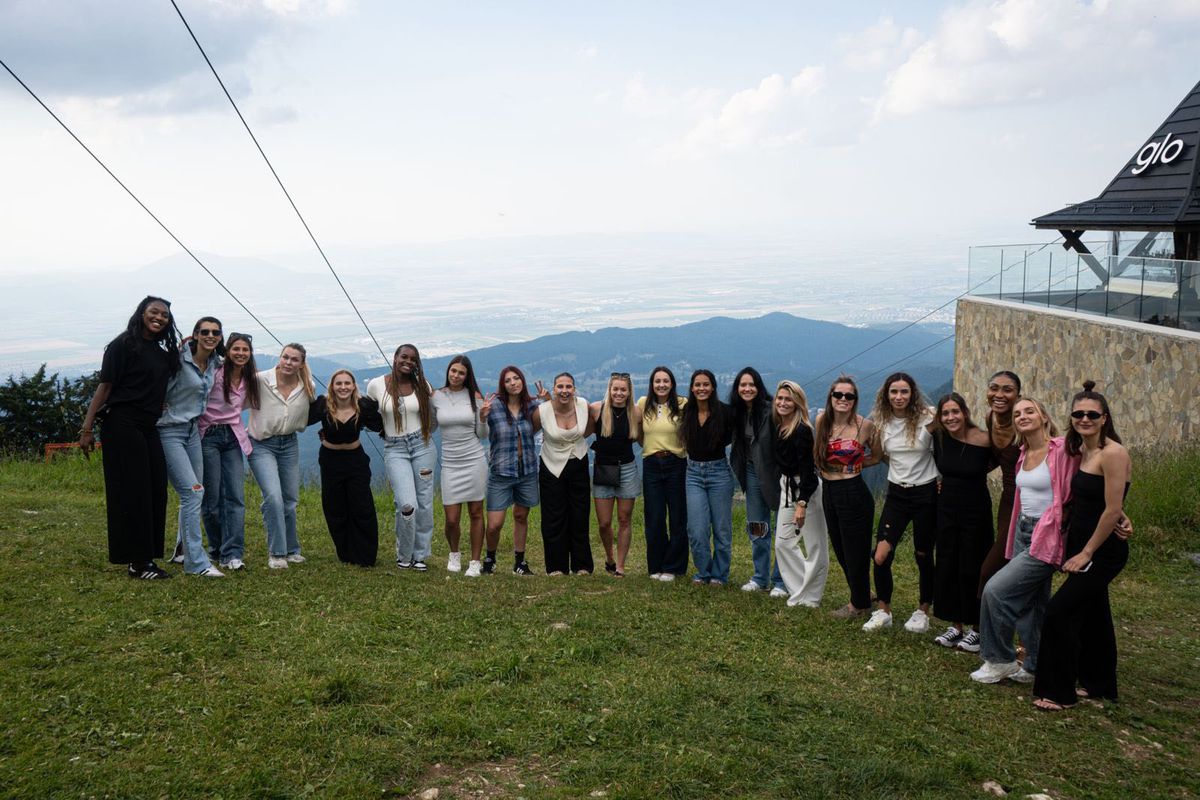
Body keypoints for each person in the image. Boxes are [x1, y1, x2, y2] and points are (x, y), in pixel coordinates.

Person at [1033, 382, 1131, 711]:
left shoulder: (1113, 452)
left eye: (1092, 414)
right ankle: (1099, 683)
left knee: (1059, 613)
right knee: (1095, 615)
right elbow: (1102, 500)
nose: (1084, 418)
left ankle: (1058, 692)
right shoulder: (1083, 449)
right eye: (1078, 413)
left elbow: (1113, 508)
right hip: (1084, 542)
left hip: (1101, 551)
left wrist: (1086, 553)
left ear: (1105, 418)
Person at [972, 397, 1071, 684]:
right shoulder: (1023, 452)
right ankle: (1034, 664)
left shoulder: (1062, 449)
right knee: (1032, 602)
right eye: (1018, 414)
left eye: (1029, 411)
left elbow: (1086, 483)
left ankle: (999, 659)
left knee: (996, 591)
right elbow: (1021, 498)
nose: (1023, 416)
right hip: (1023, 528)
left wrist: (1117, 512)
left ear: (1043, 416)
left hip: (1048, 534)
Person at [80, 296, 180, 579]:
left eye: (164, 315)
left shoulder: (160, 351)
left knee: (155, 489)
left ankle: (145, 556)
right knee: (134, 492)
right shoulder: (122, 345)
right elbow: (105, 387)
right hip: (122, 423)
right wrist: (87, 429)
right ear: (142, 313)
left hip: (148, 426)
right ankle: (139, 562)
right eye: (154, 312)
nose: (159, 318)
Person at [865, 372, 939, 633]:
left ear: (912, 394)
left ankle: (923, 610)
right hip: (897, 493)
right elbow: (880, 455)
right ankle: (883, 609)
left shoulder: (928, 418)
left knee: (923, 553)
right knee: (881, 555)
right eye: (893, 392)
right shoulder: (880, 423)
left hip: (926, 493)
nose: (898, 397)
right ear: (886, 394)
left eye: (904, 392)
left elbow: (943, 450)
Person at [161, 317, 225, 577]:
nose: (210, 336)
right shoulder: (177, 361)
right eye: (205, 331)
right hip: (169, 431)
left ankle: (181, 550)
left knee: (195, 492)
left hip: (192, 432)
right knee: (193, 493)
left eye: (216, 332)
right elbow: (157, 386)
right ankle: (197, 564)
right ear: (195, 335)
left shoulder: (214, 363)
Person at [930, 393, 994, 652]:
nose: (950, 417)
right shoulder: (939, 437)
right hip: (946, 508)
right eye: (945, 413)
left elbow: (1001, 461)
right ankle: (955, 625)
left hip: (976, 509)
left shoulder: (984, 438)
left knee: (973, 565)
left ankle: (977, 628)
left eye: (955, 412)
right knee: (947, 563)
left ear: (965, 412)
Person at [367, 344, 437, 571]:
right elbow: (368, 413)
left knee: (424, 503)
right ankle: (403, 554)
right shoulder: (377, 385)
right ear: (395, 358)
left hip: (422, 445)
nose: (408, 361)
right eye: (403, 357)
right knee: (407, 504)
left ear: (417, 364)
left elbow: (433, 420)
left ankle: (420, 556)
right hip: (395, 448)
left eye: (413, 359)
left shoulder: (422, 385)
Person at [247, 342, 316, 569]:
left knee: (289, 499)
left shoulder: (307, 386)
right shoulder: (260, 380)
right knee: (274, 497)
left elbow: (321, 408)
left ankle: (292, 549)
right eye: (285, 357)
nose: (288, 362)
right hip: (261, 444)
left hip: (289, 444)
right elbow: (234, 402)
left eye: (294, 359)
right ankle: (277, 553)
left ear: (301, 364)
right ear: (280, 357)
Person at [815, 376, 876, 619]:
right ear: (830, 397)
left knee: (855, 550)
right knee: (840, 547)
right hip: (829, 491)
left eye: (849, 396)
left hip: (853, 491)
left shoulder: (865, 426)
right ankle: (863, 592)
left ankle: (858, 605)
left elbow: (878, 455)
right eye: (838, 395)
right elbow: (816, 454)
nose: (843, 399)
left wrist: (855, 465)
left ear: (855, 400)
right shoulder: (822, 421)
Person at [308, 369, 383, 566]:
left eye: (347, 383)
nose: (343, 387)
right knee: (335, 508)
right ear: (332, 386)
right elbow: (302, 419)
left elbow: (379, 424)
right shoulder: (323, 405)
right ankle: (346, 552)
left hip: (355, 460)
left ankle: (365, 555)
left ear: (353, 386)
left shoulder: (362, 405)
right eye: (338, 383)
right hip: (330, 460)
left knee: (362, 506)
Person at [199, 331, 259, 571]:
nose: (241, 353)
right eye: (237, 349)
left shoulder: (249, 378)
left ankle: (232, 553)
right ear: (228, 350)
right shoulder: (214, 373)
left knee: (235, 497)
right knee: (211, 500)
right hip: (209, 435)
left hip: (233, 436)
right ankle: (216, 547)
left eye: (245, 350)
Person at [729, 367, 786, 597]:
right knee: (757, 526)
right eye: (743, 385)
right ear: (737, 388)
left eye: (751, 384)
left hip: (776, 473)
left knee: (783, 529)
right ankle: (760, 577)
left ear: (759, 386)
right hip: (752, 472)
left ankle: (781, 580)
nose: (747, 389)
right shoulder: (737, 412)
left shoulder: (771, 410)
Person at [770, 380, 826, 607]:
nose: (783, 403)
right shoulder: (779, 427)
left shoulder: (802, 430)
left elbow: (808, 472)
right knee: (783, 544)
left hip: (806, 490)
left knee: (814, 545)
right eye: (780, 398)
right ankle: (799, 589)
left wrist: (802, 502)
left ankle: (811, 598)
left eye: (788, 399)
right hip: (787, 487)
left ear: (797, 402)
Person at [481, 365, 541, 576]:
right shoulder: (494, 406)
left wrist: (548, 401)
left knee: (521, 516)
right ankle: (490, 558)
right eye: (508, 380)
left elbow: (544, 424)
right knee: (495, 524)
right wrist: (482, 416)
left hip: (527, 470)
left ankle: (520, 562)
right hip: (501, 471)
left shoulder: (532, 406)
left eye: (516, 378)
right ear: (503, 385)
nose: (513, 383)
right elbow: (481, 432)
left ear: (522, 381)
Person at [432, 355, 488, 574]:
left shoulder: (475, 397)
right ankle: (454, 554)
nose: (455, 375)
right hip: (450, 462)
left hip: (474, 459)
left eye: (461, 373)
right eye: (453, 371)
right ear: (448, 371)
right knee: (452, 518)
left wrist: (483, 417)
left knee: (476, 512)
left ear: (467, 376)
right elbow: (432, 426)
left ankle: (475, 562)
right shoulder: (436, 396)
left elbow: (483, 435)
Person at [682, 369, 734, 586]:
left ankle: (719, 574)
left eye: (706, 384)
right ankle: (703, 571)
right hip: (693, 473)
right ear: (692, 388)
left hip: (719, 472)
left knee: (721, 528)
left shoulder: (726, 412)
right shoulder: (688, 411)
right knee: (696, 529)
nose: (701, 388)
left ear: (713, 387)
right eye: (697, 385)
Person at [537, 372, 593, 575]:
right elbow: (532, 429)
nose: (564, 391)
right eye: (560, 387)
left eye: (568, 387)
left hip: (578, 461)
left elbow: (589, 429)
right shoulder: (542, 410)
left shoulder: (583, 405)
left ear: (574, 389)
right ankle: (556, 567)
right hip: (551, 464)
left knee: (580, 514)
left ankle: (582, 565)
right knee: (553, 517)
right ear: (553, 389)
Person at [637, 367, 689, 581]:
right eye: (657, 381)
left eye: (665, 381)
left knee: (677, 517)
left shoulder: (683, 404)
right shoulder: (642, 404)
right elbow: (637, 432)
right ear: (652, 384)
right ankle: (656, 565)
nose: (661, 385)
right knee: (655, 517)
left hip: (676, 462)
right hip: (651, 463)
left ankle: (673, 567)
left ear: (672, 383)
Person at [590, 372, 642, 577]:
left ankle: (620, 566)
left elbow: (644, 439)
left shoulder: (636, 413)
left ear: (629, 392)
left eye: (623, 389)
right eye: (615, 389)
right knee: (604, 523)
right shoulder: (597, 409)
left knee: (624, 519)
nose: (619, 393)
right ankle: (609, 557)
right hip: (603, 467)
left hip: (627, 468)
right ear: (609, 390)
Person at [977, 370, 1022, 596]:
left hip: (1029, 504)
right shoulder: (990, 418)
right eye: (994, 388)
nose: (999, 394)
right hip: (1007, 502)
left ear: (1018, 395)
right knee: (1011, 563)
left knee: (989, 570)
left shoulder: (1026, 422)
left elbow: (1055, 462)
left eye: (1007, 389)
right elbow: (998, 457)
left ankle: (980, 627)